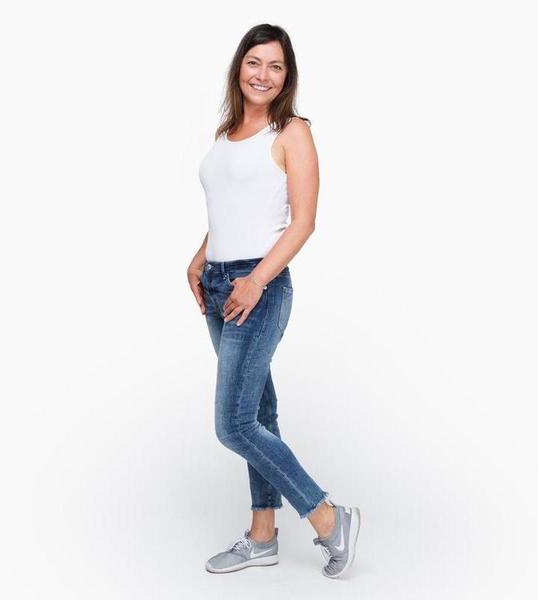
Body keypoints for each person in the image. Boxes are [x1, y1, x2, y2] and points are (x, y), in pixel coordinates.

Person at [187, 24, 361, 578]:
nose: (263, 75)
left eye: (276, 66)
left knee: (234, 424)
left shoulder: (292, 131)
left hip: (257, 288)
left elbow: (302, 221)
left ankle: (328, 517)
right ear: (239, 66)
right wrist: (201, 257)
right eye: (254, 62)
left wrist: (256, 280)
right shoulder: (227, 132)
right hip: (219, 284)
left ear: (288, 76)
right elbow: (233, 210)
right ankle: (263, 536)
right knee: (258, 414)